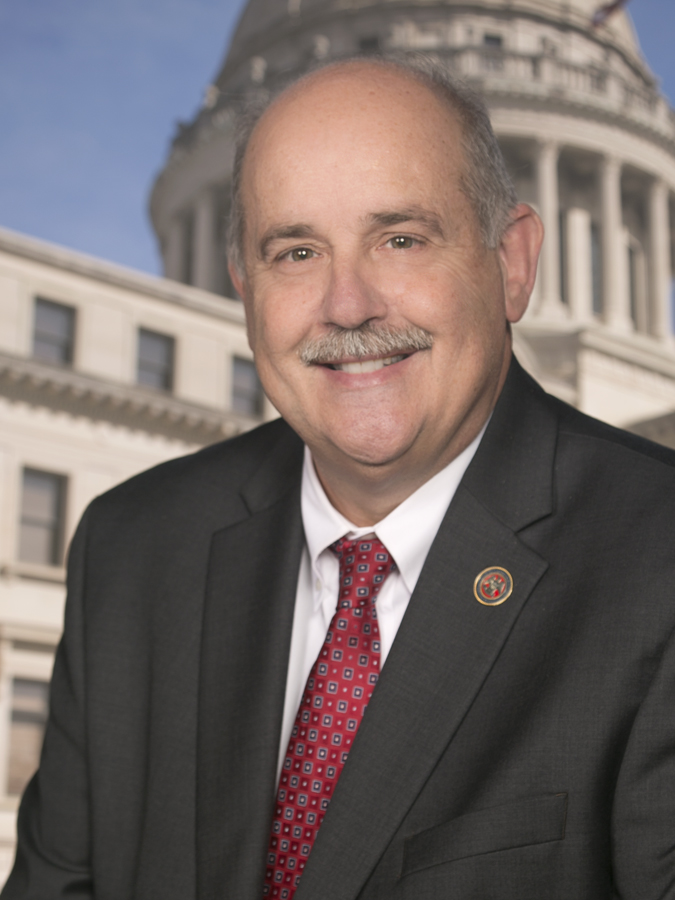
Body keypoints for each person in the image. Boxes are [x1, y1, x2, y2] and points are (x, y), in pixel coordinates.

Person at [3, 56, 675, 900]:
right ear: (244, 291)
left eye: (400, 238)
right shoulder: (132, 548)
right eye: (294, 252)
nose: (347, 305)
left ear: (511, 261)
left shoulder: (659, 554)